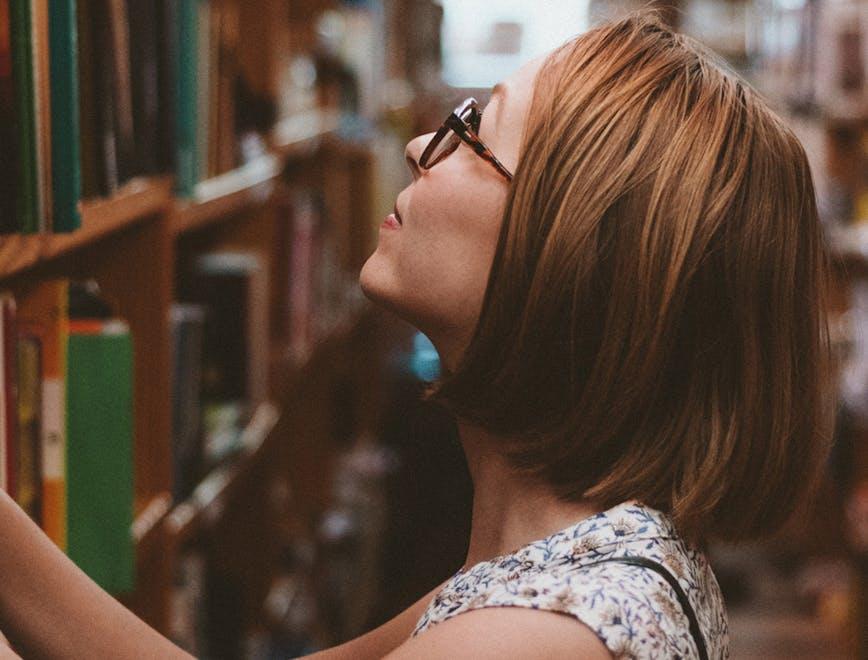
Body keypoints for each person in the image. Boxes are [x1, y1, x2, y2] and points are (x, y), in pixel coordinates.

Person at [0, 8, 836, 660]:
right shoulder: (553, 565)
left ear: (571, 254)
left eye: (472, 133)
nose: (416, 146)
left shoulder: (535, 634)